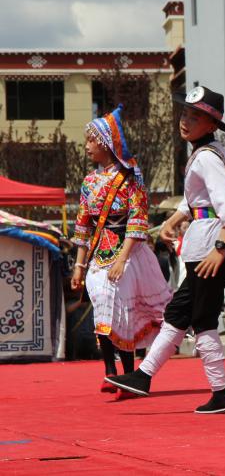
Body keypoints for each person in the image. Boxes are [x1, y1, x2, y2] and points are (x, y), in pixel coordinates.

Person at [106, 86, 225, 414]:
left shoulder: (207, 158)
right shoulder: (207, 153)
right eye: (185, 114)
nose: (185, 121)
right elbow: (198, 199)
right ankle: (143, 376)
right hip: (206, 244)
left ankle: (221, 394)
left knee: (202, 318)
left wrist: (219, 248)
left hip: (213, 248)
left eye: (195, 117)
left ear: (212, 125)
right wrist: (175, 218)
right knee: (178, 313)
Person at [70, 105, 171, 394]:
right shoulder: (88, 182)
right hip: (98, 255)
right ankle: (109, 372)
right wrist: (79, 266)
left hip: (128, 252)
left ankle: (128, 375)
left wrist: (122, 259)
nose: (87, 146)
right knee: (102, 306)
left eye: (91, 140)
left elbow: (138, 221)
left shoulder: (131, 177)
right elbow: (83, 226)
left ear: (105, 142)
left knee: (123, 311)